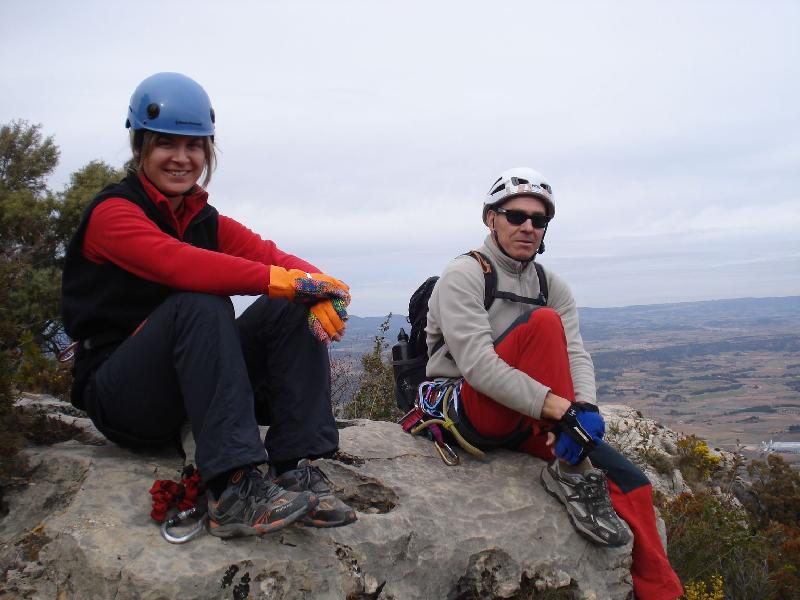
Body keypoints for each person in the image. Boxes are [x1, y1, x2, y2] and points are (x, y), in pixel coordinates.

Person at [61, 72, 356, 538]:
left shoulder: (203, 220)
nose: (181, 158)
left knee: (291, 307)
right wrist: (286, 282)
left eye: (194, 146)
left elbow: (271, 256)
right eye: (165, 143)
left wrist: (325, 288)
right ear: (140, 147)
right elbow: (180, 265)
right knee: (201, 299)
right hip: (124, 395)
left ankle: (294, 467)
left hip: (195, 389)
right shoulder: (113, 213)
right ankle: (232, 489)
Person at [424, 168, 683, 598]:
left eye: (539, 219)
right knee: (544, 324)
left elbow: (575, 353)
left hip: (530, 413)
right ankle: (570, 469)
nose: (528, 226)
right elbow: (479, 366)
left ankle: (661, 592)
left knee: (632, 482)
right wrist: (563, 411)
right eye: (516, 216)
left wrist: (586, 410)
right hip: (470, 410)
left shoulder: (550, 284)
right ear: (491, 218)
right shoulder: (465, 274)